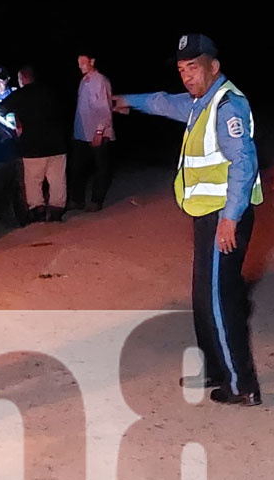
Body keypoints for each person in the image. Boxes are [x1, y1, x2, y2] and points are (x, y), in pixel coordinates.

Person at [113, 33, 264, 406]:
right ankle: (216, 367)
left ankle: (241, 385)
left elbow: (243, 165)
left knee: (219, 299)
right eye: (182, 70)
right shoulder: (201, 103)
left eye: (193, 68)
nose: (187, 76)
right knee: (202, 296)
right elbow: (164, 102)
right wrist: (127, 102)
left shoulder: (227, 105)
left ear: (214, 66)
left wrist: (230, 219)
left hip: (223, 217)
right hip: (206, 216)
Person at [2, 66, 70, 222]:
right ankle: (56, 210)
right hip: (57, 143)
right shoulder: (51, 92)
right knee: (57, 179)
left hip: (32, 145)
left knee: (33, 180)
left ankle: (38, 209)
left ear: (21, 79)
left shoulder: (19, 95)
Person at [69, 49, 114, 211]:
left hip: (97, 133)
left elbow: (105, 108)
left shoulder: (100, 80)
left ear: (92, 61)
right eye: (79, 63)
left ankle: (96, 200)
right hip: (82, 133)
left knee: (100, 167)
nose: (80, 66)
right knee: (77, 167)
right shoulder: (84, 81)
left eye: (83, 62)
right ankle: (77, 200)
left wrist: (99, 132)